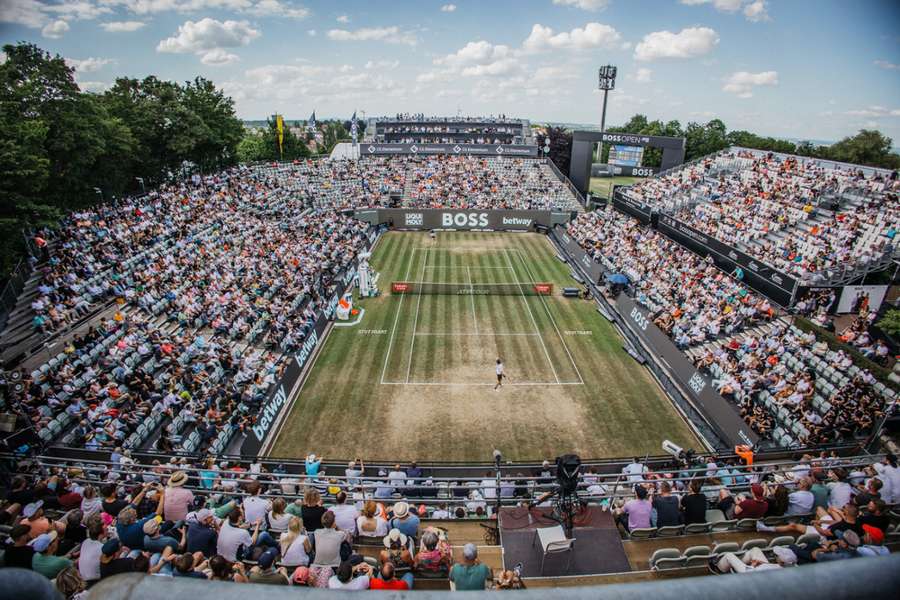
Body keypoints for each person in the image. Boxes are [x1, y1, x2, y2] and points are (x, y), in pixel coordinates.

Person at [78, 516, 106, 584]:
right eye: (106, 528)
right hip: (95, 582)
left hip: (84, 578)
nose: (107, 528)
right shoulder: (103, 548)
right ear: (101, 532)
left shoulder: (86, 542)